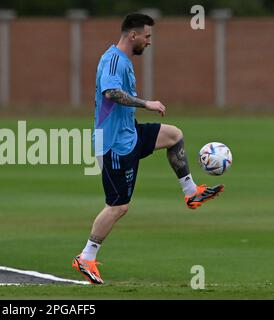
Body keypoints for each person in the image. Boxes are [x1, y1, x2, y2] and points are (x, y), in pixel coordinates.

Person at [72, 13, 224, 285]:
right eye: (147, 36)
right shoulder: (113, 60)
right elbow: (111, 93)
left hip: (129, 134)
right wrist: (147, 103)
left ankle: (191, 193)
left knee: (173, 135)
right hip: (113, 145)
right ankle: (86, 257)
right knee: (118, 207)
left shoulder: (124, 60)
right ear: (133, 35)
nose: (149, 41)